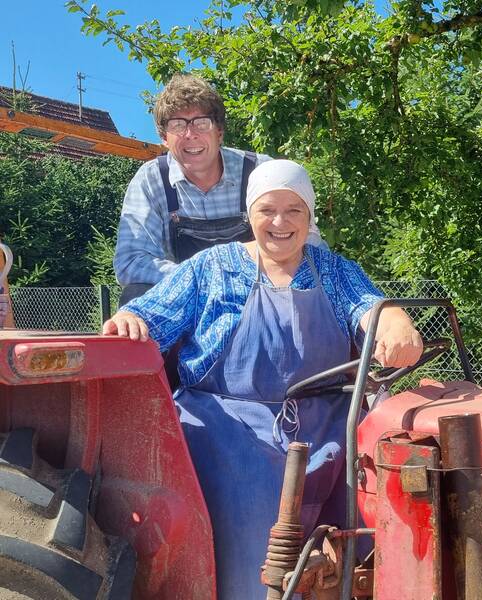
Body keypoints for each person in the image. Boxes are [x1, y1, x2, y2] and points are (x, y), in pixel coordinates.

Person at [102, 159, 423, 599]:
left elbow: (369, 307)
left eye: (294, 210)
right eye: (268, 209)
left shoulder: (332, 269)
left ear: (309, 217)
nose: (280, 222)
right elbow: (150, 315)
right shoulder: (210, 267)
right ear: (249, 214)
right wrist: (129, 318)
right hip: (227, 434)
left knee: (360, 540)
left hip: (326, 429)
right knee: (255, 561)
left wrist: (395, 323)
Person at [113, 73, 319, 304]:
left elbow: (310, 242)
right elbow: (130, 261)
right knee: (134, 295)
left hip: (261, 295)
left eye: (201, 123)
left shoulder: (261, 171)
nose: (190, 135)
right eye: (178, 125)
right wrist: (203, 280)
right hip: (188, 299)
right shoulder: (152, 180)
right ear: (164, 138)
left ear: (219, 132)